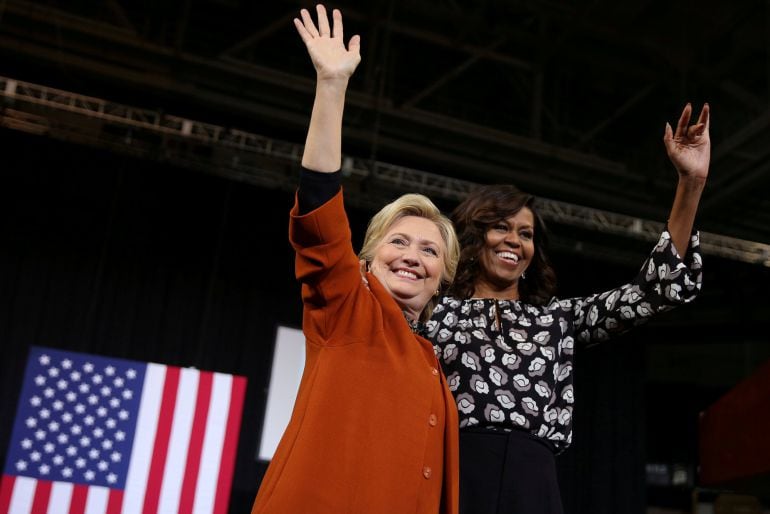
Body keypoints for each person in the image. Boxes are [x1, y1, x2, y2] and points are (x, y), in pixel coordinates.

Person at [427, 103, 709, 514]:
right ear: (474, 235)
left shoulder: (556, 320)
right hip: (455, 472)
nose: (514, 240)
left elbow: (655, 290)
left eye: (525, 233)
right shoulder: (436, 313)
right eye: (500, 227)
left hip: (534, 483)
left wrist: (691, 182)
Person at [251, 5, 460, 514]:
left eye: (429, 250)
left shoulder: (432, 362)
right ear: (366, 261)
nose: (412, 256)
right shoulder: (348, 308)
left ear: (443, 279)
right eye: (398, 241)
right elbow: (320, 211)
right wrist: (332, 86)